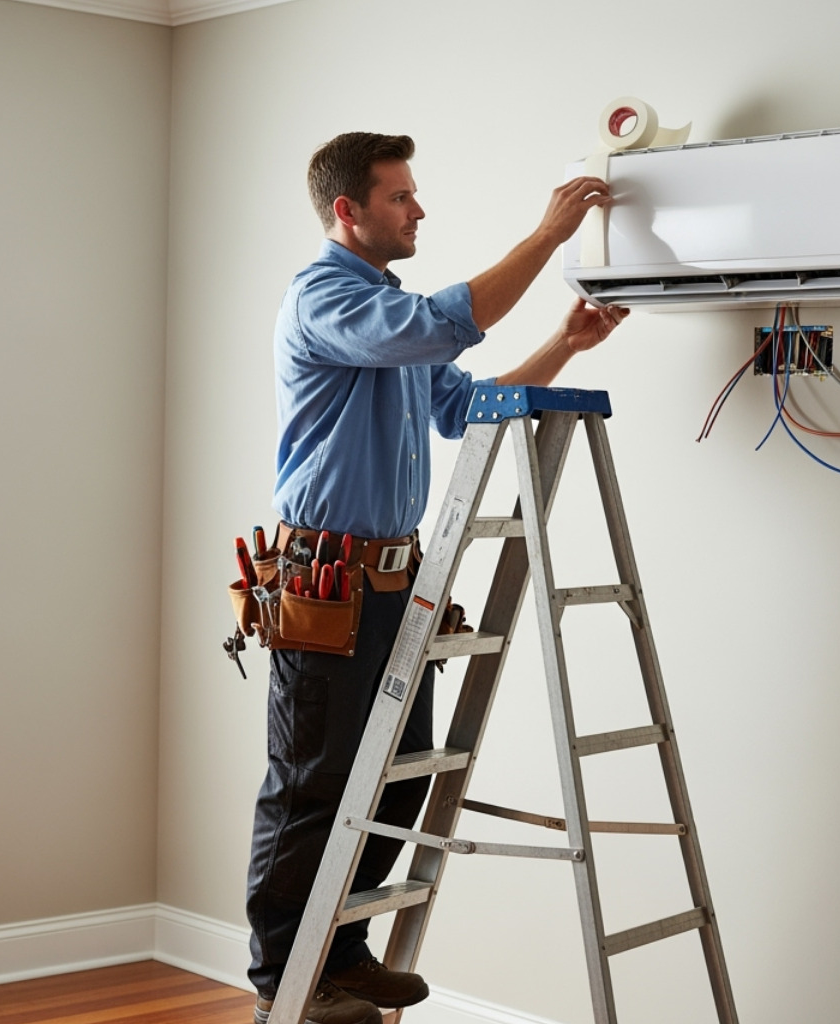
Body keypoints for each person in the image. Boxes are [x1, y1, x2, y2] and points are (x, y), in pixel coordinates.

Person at [248, 131, 629, 1024]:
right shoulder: (325, 299)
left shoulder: (390, 320)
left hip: (397, 587)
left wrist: (565, 345)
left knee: (394, 779)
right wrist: (548, 236)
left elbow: (469, 406)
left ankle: (339, 953)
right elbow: (440, 325)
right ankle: (282, 983)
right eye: (400, 196)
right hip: (328, 585)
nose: (418, 210)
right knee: (312, 786)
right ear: (349, 210)